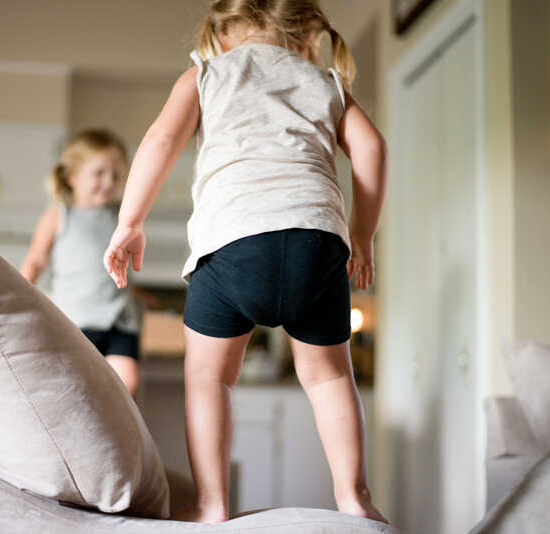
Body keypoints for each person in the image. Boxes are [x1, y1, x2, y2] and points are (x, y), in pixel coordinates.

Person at [103, 0, 389, 524]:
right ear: (305, 35)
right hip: (317, 244)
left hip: (231, 245)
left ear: (221, 34)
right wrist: (363, 235)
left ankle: (212, 504)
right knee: (328, 379)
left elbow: (160, 141)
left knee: (209, 378)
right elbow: (371, 148)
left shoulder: (205, 75)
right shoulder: (324, 82)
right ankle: (354, 498)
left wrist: (130, 222)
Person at [21, 129, 144, 397]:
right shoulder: (58, 215)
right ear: (73, 177)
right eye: (99, 173)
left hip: (118, 321)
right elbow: (36, 259)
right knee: (77, 390)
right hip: (74, 321)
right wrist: (18, 292)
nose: (109, 181)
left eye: (116, 175)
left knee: (127, 384)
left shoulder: (124, 216)